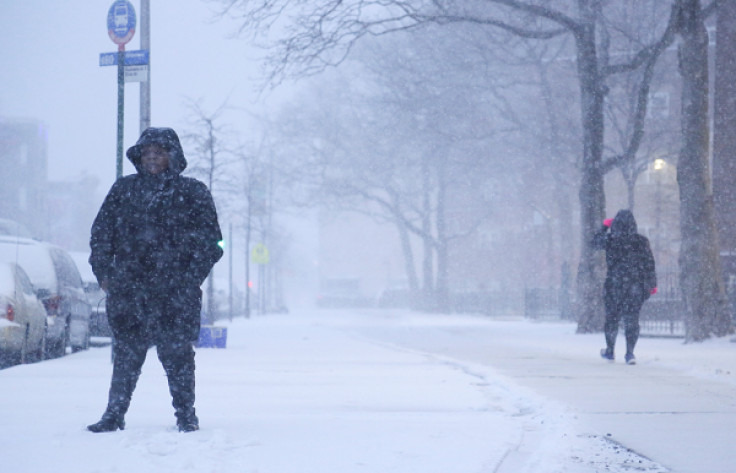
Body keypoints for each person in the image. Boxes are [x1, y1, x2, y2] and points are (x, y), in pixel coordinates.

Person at [87, 127, 223, 433]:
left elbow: (212, 243)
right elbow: (101, 235)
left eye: (159, 152)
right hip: (129, 291)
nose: (152, 158)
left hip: (175, 293)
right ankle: (114, 413)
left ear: (172, 156)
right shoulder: (123, 190)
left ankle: (186, 415)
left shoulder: (193, 192)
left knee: (178, 357)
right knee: (126, 356)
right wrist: (105, 275)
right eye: (147, 152)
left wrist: (189, 279)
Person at [592, 209, 657, 365]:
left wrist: (604, 227)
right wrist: (651, 284)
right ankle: (630, 353)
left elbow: (593, 243)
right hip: (635, 284)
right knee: (632, 320)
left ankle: (610, 350)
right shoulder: (641, 241)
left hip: (614, 284)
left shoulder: (610, 240)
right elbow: (649, 263)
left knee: (612, 319)